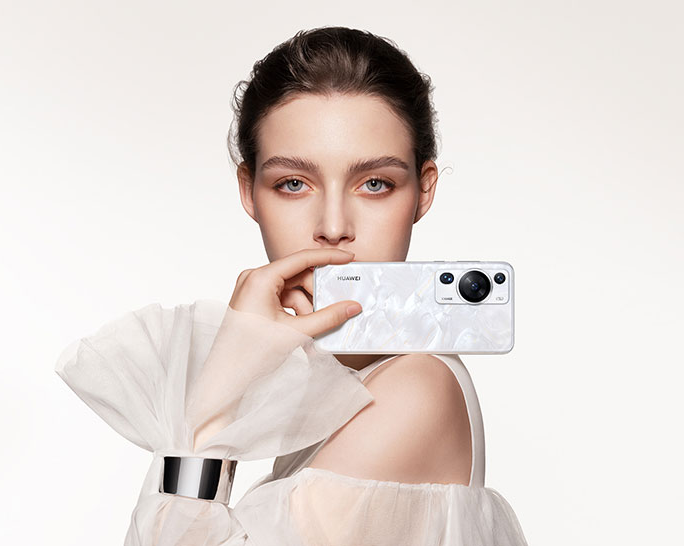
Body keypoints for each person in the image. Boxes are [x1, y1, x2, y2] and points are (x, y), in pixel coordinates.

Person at [56, 26, 528, 545]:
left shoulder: (415, 390)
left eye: (375, 184)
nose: (333, 226)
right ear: (249, 192)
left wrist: (218, 396)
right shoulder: (330, 385)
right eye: (294, 184)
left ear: (423, 192)